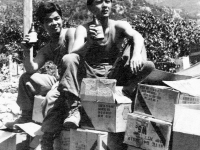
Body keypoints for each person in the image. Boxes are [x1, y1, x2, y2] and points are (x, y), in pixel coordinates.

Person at [60, 0, 155, 117]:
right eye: (99, 2)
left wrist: (136, 55)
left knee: (145, 59)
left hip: (114, 74)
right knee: (69, 58)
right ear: (90, 7)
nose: (105, 5)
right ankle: (74, 109)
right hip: (90, 75)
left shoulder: (118, 25)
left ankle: (127, 89)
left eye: (108, 1)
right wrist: (89, 41)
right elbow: (73, 53)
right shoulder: (83, 28)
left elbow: (137, 36)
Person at [5, 2, 76, 150]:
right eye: (48, 21)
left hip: (74, 79)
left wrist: (60, 83)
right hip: (58, 79)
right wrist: (26, 50)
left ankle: (49, 136)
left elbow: (71, 61)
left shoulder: (70, 34)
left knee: (52, 96)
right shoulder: (47, 48)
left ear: (62, 19)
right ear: (43, 25)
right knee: (26, 78)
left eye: (56, 18)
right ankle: (26, 115)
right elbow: (31, 68)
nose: (54, 23)